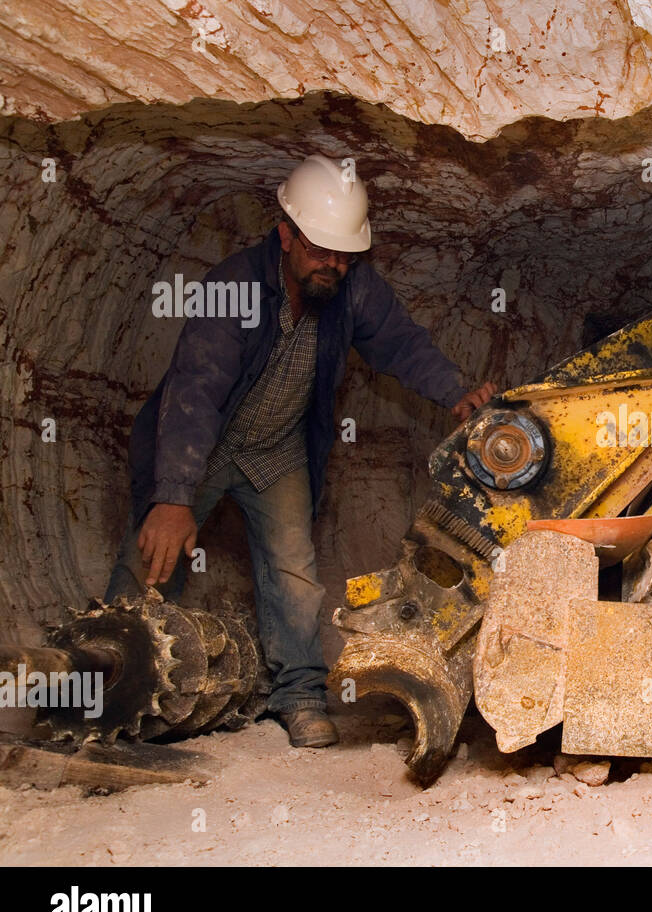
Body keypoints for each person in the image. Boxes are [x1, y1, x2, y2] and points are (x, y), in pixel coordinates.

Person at [105, 154, 495, 748]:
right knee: (157, 556)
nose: (333, 266)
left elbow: (399, 343)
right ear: (286, 235)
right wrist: (174, 497)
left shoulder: (350, 288)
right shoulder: (232, 287)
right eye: (320, 251)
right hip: (207, 442)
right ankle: (107, 677)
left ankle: (300, 696)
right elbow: (193, 391)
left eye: (344, 255)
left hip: (278, 450)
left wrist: (455, 392)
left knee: (295, 574)